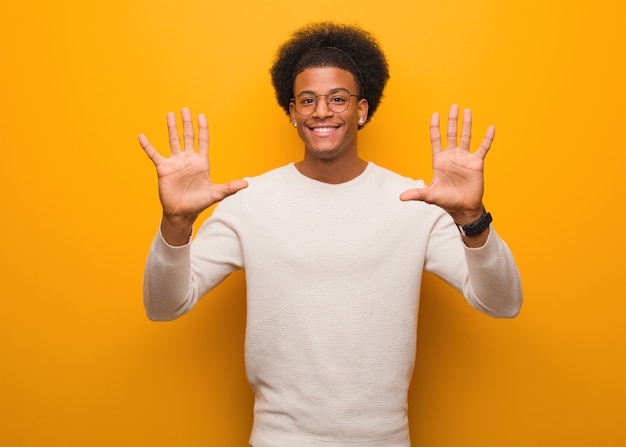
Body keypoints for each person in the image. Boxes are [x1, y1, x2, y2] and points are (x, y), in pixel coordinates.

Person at [138, 22, 522, 447]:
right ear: (292, 112)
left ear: (361, 109)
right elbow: (164, 306)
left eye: (338, 99)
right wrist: (175, 223)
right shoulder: (247, 201)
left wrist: (472, 216)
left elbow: (502, 303)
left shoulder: (415, 202)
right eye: (308, 100)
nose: (322, 111)